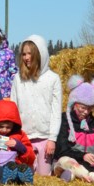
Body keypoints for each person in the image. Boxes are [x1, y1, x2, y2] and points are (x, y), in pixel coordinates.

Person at [52, 75, 94, 183]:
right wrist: (83, 156)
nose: (86, 112)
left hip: (89, 164)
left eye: (89, 109)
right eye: (83, 108)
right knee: (66, 162)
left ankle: (74, 176)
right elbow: (62, 150)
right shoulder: (64, 120)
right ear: (74, 104)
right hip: (71, 160)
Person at [11, 34, 62, 176]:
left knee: (44, 177)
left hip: (45, 138)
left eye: (30, 54)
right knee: (25, 175)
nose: (26, 58)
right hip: (24, 138)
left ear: (40, 54)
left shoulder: (53, 79)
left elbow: (55, 112)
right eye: (24, 54)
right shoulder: (18, 78)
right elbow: (13, 108)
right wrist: (15, 135)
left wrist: (52, 139)